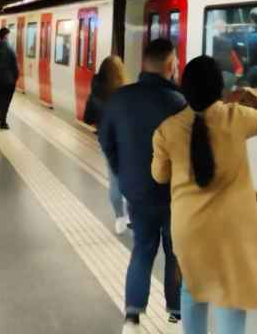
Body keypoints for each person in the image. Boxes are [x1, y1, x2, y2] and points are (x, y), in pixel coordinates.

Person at [152, 56, 257, 334]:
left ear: (184, 88)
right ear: (219, 87)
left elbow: (159, 176)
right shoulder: (237, 116)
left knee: (191, 288)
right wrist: (248, 92)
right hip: (232, 232)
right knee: (231, 296)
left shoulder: (167, 130)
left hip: (189, 230)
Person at [99, 39, 186, 332]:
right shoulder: (180, 103)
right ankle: (175, 315)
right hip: (174, 194)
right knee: (175, 253)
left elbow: (105, 142)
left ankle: (132, 317)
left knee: (142, 249)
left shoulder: (120, 99)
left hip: (137, 192)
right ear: (170, 66)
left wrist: (122, 172)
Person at [84, 55, 131, 235]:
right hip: (126, 140)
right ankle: (129, 215)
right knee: (130, 177)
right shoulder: (126, 92)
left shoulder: (96, 92)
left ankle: (120, 217)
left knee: (114, 179)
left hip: (106, 140)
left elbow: (88, 117)